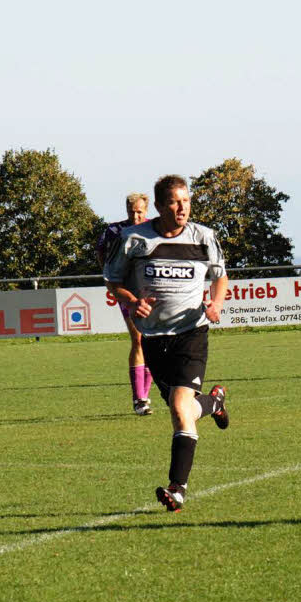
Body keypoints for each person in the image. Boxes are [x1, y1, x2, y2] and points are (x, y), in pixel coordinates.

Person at [103, 175, 231, 513]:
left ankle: (178, 488)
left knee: (177, 407)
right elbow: (113, 281)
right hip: (154, 338)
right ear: (159, 207)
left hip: (192, 333)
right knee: (185, 410)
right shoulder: (133, 239)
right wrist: (132, 300)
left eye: (186, 201)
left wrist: (216, 304)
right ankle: (214, 403)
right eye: (174, 202)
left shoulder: (204, 237)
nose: (182, 208)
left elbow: (220, 276)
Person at [97, 192, 155, 416]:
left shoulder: (154, 228)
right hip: (126, 292)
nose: (136, 215)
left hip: (150, 293)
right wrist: (111, 277)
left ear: (146, 210)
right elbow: (101, 253)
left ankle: (145, 396)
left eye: (140, 211)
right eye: (132, 211)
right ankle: (138, 399)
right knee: (138, 339)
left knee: (152, 340)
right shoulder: (113, 230)